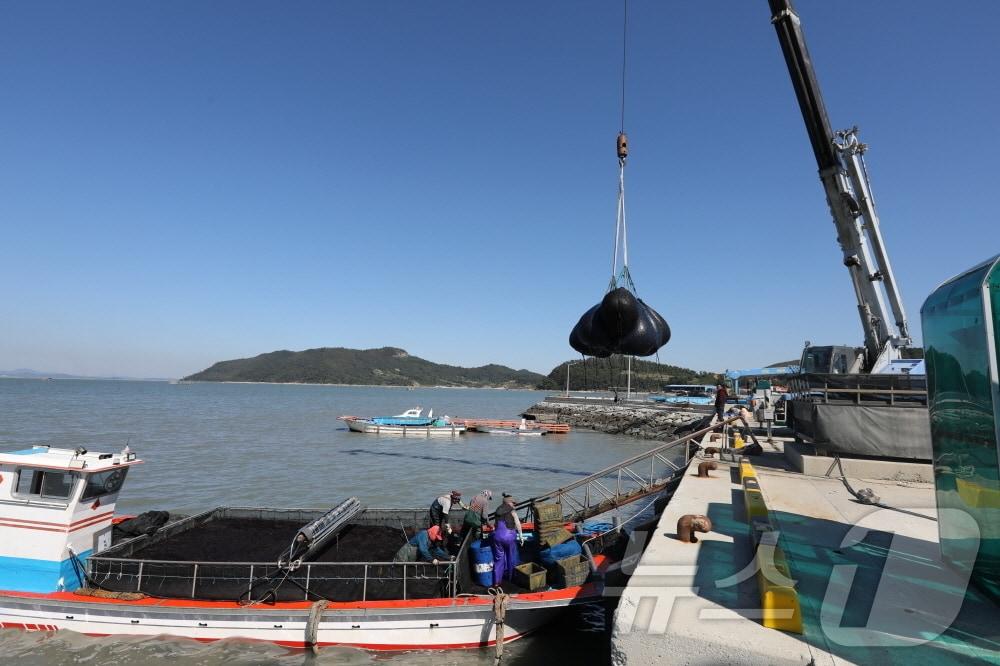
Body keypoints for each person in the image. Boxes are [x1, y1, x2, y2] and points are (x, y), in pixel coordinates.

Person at [491, 493, 524, 586]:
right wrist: (521, 536)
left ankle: (497, 582)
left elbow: (495, 525)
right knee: (511, 557)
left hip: (497, 537)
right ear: (509, 503)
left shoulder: (497, 510)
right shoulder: (512, 510)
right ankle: (511, 577)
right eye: (513, 503)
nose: (514, 505)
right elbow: (517, 523)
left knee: (498, 560)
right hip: (509, 536)